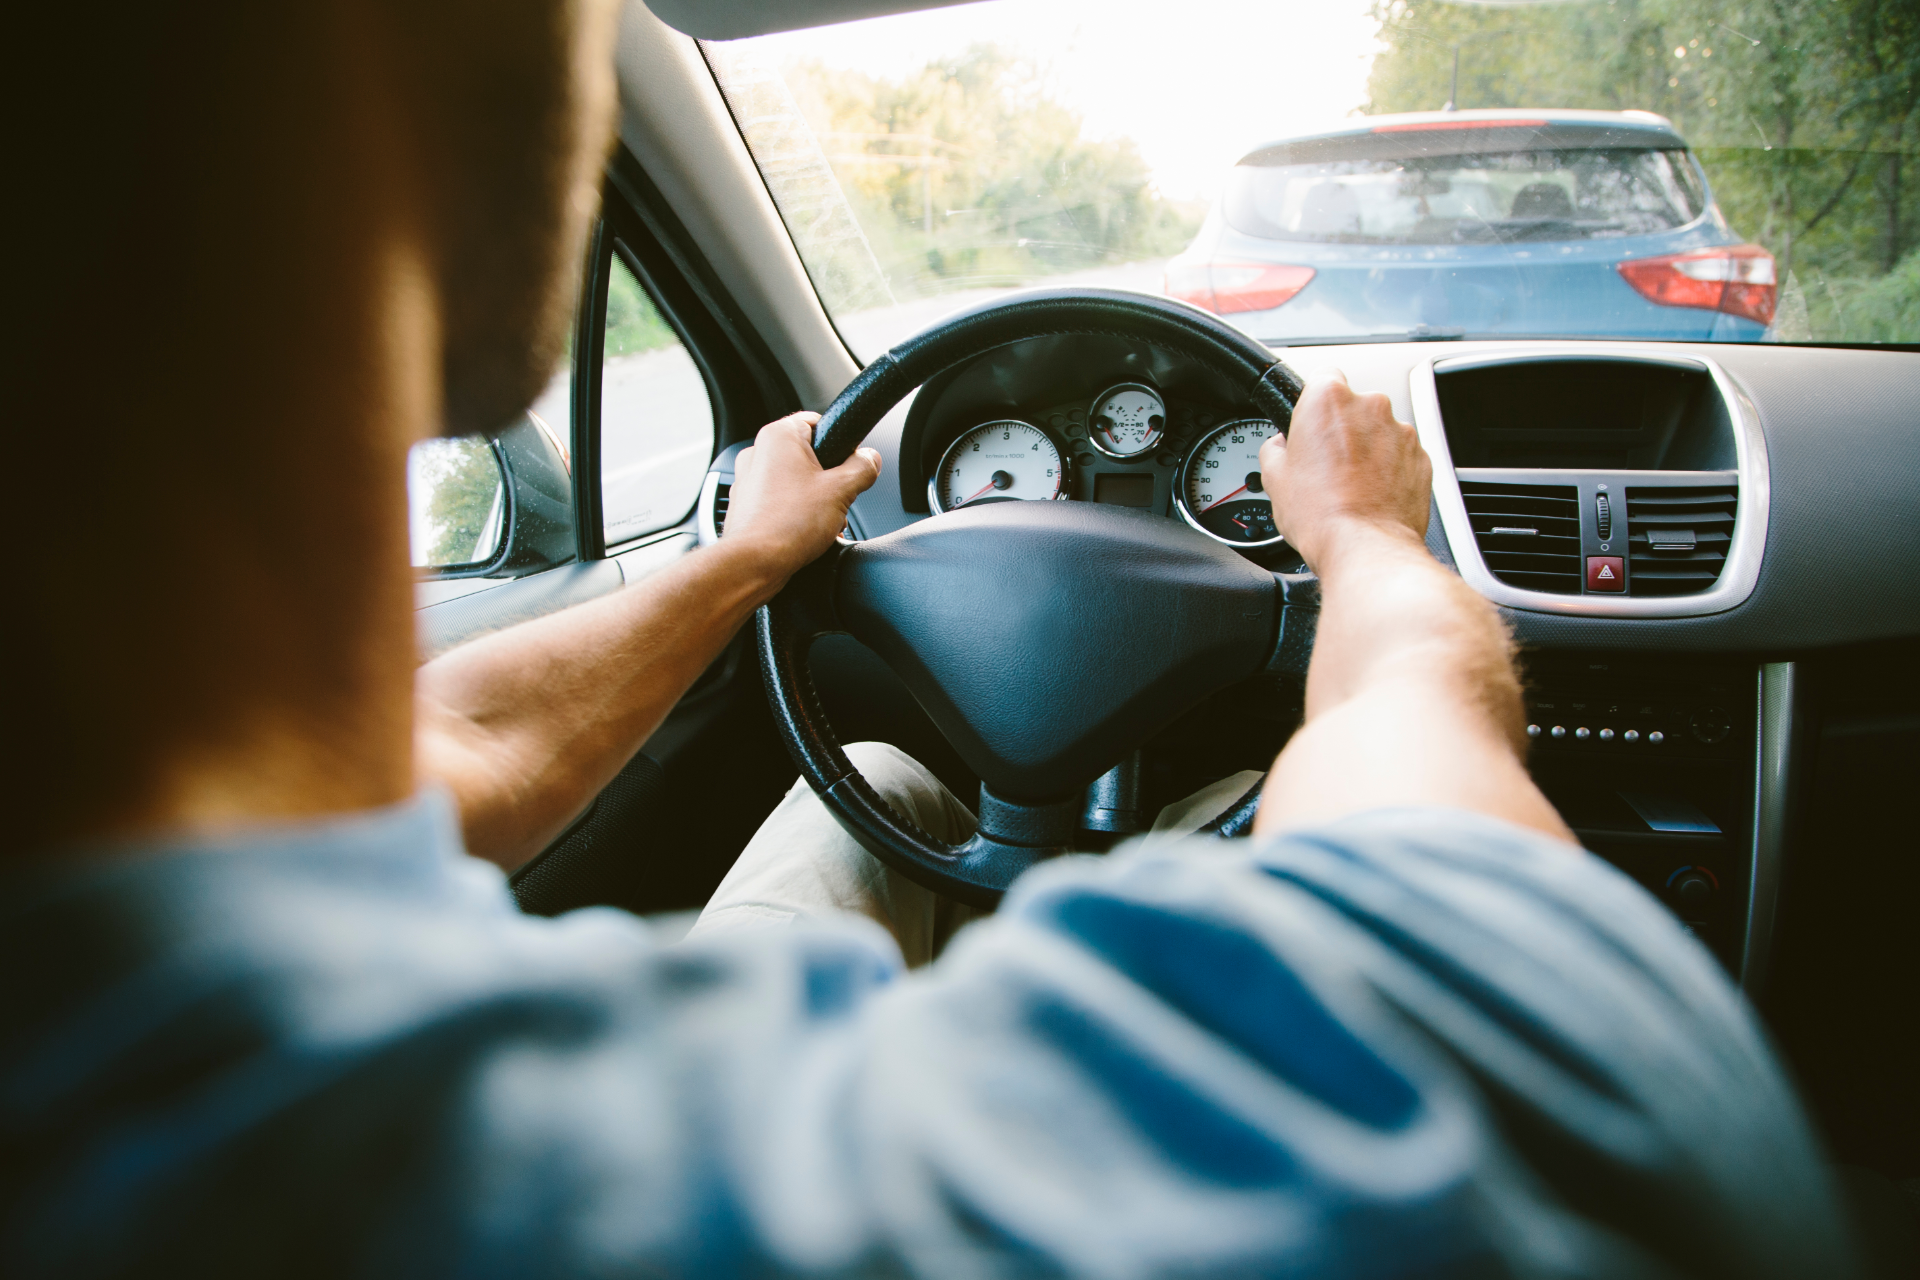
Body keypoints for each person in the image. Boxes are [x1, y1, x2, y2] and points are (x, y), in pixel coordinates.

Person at [3, 1, 1858, 1276]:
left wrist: (747, 565)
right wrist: (1364, 545)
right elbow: (1448, 817)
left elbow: (463, 752)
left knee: (887, 777)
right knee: (1079, 780)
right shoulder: (1359, 1142)